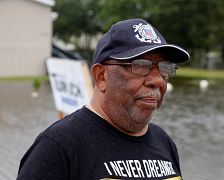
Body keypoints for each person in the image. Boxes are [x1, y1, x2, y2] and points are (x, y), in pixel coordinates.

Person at [17, 19, 189, 180]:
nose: (158, 80)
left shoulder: (164, 142)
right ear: (101, 76)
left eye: (164, 68)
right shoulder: (59, 146)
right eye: (140, 65)